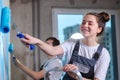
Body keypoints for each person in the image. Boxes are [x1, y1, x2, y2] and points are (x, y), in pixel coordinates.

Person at [20, 12, 111, 80]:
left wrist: (77, 75)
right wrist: (36, 41)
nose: (85, 25)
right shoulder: (72, 43)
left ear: (99, 29)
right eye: (83, 22)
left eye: (90, 23)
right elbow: (53, 51)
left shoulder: (103, 54)